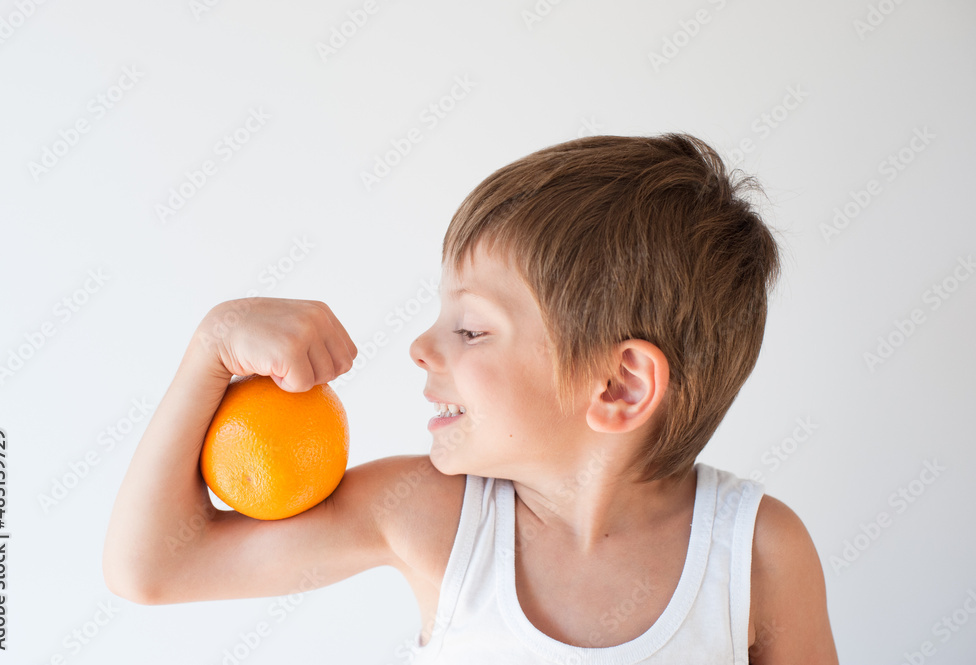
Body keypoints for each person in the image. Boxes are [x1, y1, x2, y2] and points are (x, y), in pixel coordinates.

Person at [103, 133, 840, 663]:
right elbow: (154, 567)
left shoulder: (758, 553)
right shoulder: (430, 515)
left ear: (619, 386)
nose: (422, 348)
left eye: (471, 329)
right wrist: (210, 351)